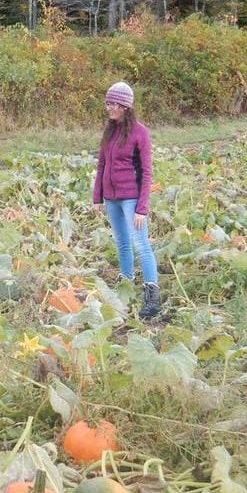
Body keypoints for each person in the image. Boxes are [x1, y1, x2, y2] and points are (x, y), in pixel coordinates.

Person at [92, 82, 161, 319]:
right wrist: (97, 197)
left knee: (141, 246)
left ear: (125, 106)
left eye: (113, 104)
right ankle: (126, 286)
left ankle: (152, 296)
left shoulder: (140, 133)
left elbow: (147, 172)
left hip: (131, 199)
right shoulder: (109, 131)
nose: (109, 108)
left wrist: (142, 208)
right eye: (107, 103)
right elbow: (102, 164)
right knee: (122, 243)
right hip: (111, 198)